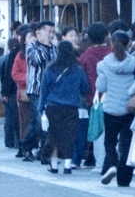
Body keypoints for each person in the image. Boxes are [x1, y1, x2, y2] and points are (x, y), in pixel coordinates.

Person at [38, 39, 91, 174]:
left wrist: (41, 107)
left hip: (53, 107)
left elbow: (44, 90)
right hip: (71, 107)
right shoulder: (78, 69)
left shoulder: (51, 68)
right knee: (69, 135)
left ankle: (54, 165)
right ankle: (68, 165)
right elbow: (85, 87)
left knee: (54, 135)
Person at [96, 30, 135, 187]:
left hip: (110, 109)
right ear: (129, 44)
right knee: (127, 143)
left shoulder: (103, 64)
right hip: (129, 109)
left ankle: (112, 165)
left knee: (110, 142)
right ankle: (124, 179)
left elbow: (101, 86)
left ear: (111, 44)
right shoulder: (134, 63)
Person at [77, 24, 111, 168]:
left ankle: (98, 161)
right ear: (107, 36)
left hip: (94, 98)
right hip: (113, 98)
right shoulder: (114, 53)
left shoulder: (86, 56)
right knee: (112, 132)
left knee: (97, 130)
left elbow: (82, 79)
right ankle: (112, 159)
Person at [22, 21, 57, 159]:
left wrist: (50, 46)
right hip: (36, 89)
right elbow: (38, 59)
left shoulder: (54, 48)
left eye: (53, 32)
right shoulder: (31, 46)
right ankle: (27, 146)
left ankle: (45, 151)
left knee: (49, 121)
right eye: (49, 31)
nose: (51, 35)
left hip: (51, 90)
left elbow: (55, 62)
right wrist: (45, 45)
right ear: (39, 32)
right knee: (37, 120)